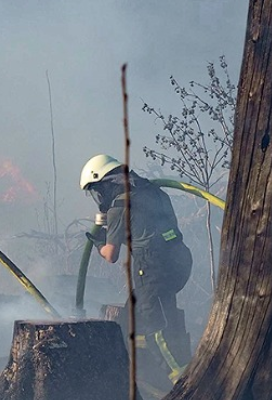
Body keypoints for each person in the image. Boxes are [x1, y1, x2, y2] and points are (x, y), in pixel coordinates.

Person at [80, 154, 193, 388]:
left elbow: (111, 255)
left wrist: (100, 240)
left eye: (96, 191)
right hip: (178, 259)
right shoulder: (151, 189)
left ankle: (185, 383)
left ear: (103, 184)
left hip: (152, 269)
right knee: (136, 318)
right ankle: (144, 376)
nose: (98, 198)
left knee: (156, 330)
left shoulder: (119, 206)